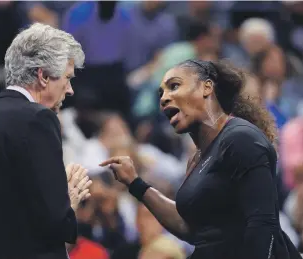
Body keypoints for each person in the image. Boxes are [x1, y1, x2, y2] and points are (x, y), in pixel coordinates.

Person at [100, 59, 302, 259]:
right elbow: (189, 228)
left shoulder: (241, 139)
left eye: (174, 86)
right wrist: (136, 184)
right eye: (161, 92)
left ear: (206, 88)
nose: (164, 98)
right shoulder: (197, 159)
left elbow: (262, 224)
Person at [0, 23, 92, 259]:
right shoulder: (38, 118)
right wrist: (69, 200)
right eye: (67, 78)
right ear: (43, 76)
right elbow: (56, 223)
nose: (70, 90)